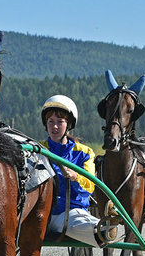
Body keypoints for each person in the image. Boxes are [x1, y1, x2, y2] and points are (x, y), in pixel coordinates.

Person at [42, 95, 120, 246]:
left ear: (69, 124)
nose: (55, 127)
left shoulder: (84, 153)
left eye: (60, 122)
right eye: (50, 122)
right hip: (41, 211)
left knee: (74, 221)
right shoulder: (38, 149)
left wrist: (74, 176)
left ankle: (105, 230)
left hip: (70, 211)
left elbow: (89, 187)